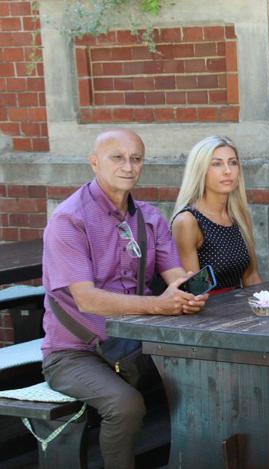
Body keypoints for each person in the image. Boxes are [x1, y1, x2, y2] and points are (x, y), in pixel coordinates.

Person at [41, 129, 208, 469]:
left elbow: (175, 277)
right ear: (94, 162)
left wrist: (186, 294)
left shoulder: (149, 217)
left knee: (206, 379)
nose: (128, 166)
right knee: (125, 405)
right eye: (117, 158)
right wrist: (159, 305)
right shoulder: (69, 219)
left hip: (134, 345)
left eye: (136, 158)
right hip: (76, 352)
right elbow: (86, 300)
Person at [171, 136, 262, 293]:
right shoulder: (188, 221)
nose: (228, 171)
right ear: (200, 170)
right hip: (207, 305)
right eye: (216, 164)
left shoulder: (239, 215)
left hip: (241, 303)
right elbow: (194, 292)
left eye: (233, 162)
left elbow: (251, 277)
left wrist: (266, 302)